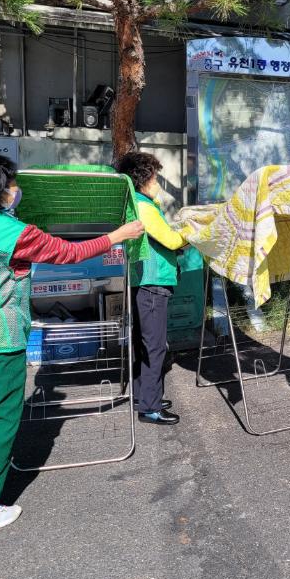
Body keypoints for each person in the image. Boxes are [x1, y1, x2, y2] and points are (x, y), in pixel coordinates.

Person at [0, 154, 144, 539]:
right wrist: (117, 236)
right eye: (10, 184)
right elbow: (68, 253)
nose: (14, 190)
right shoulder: (16, 233)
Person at [116, 152, 188, 426]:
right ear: (144, 179)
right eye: (156, 177)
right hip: (153, 284)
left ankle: (144, 396)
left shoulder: (136, 203)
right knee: (155, 346)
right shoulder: (145, 207)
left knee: (143, 344)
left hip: (142, 282)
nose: (158, 182)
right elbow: (170, 240)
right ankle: (151, 408)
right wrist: (193, 235)